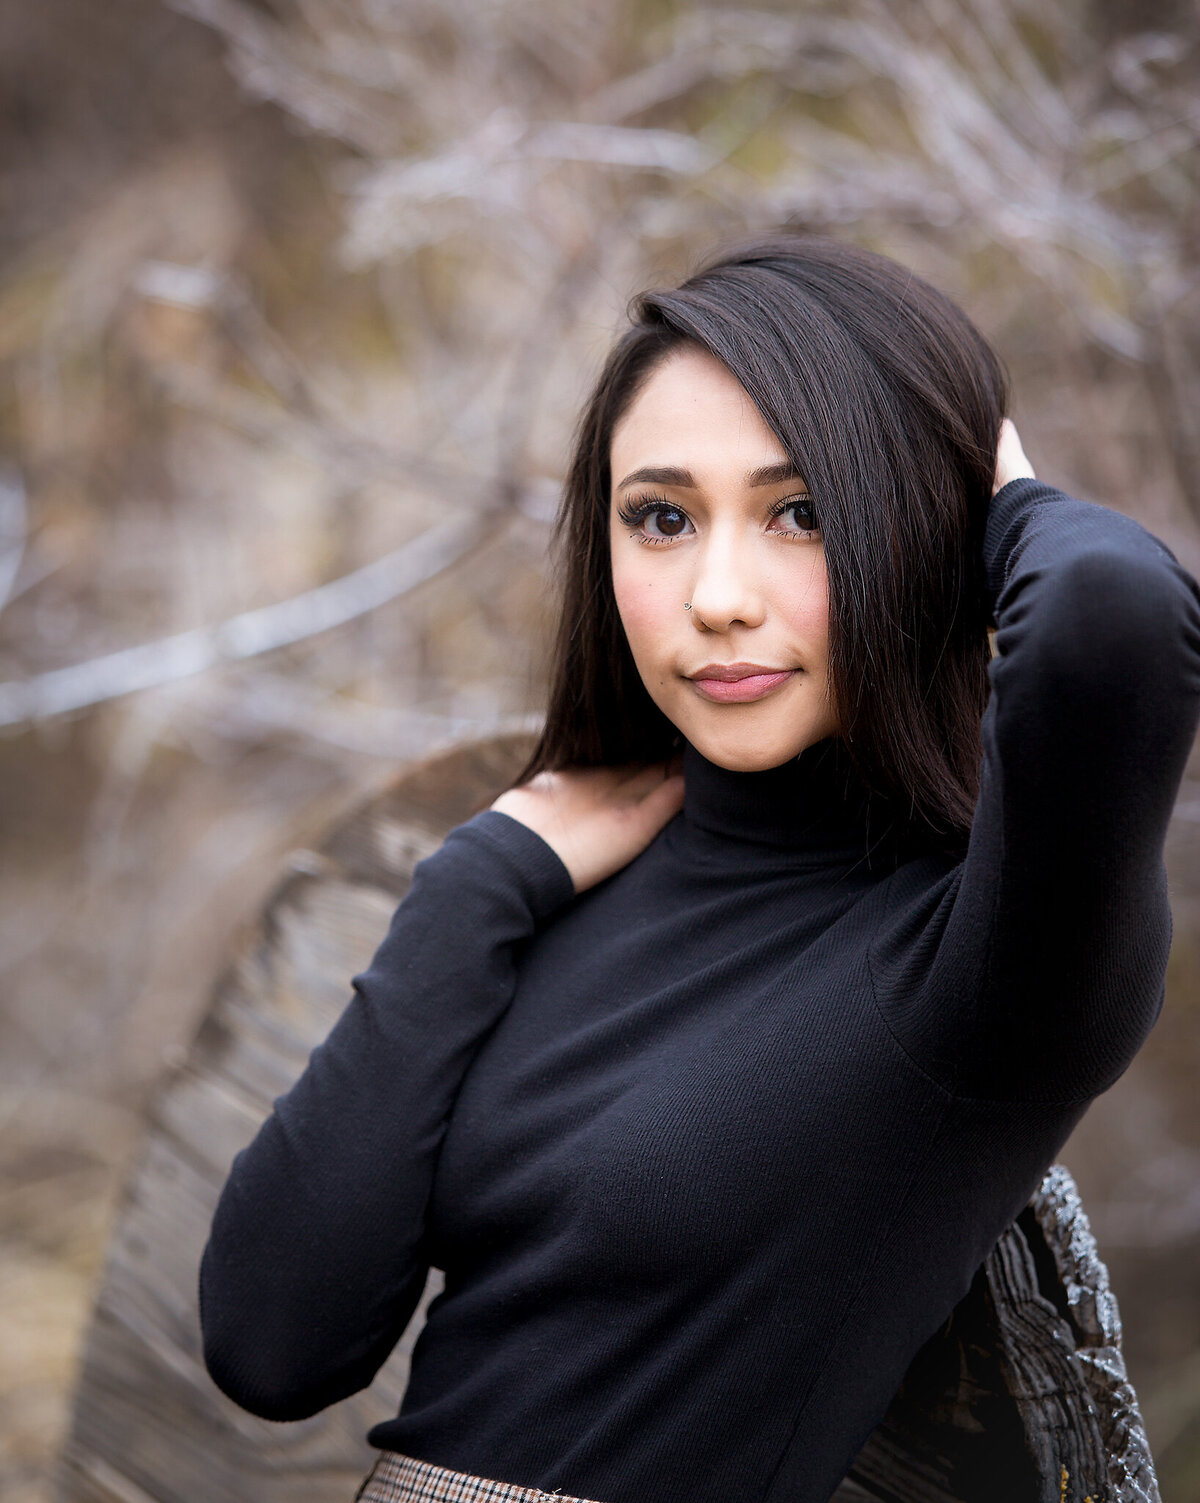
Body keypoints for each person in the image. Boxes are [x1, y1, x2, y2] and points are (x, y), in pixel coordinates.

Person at [197, 236, 1200, 1503]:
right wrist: (482, 880)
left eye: (805, 513)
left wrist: (1005, 492)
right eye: (661, 518)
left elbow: (1112, 623)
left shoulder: (985, 967)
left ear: (933, 532)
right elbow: (270, 1338)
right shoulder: (561, 886)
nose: (718, 594)